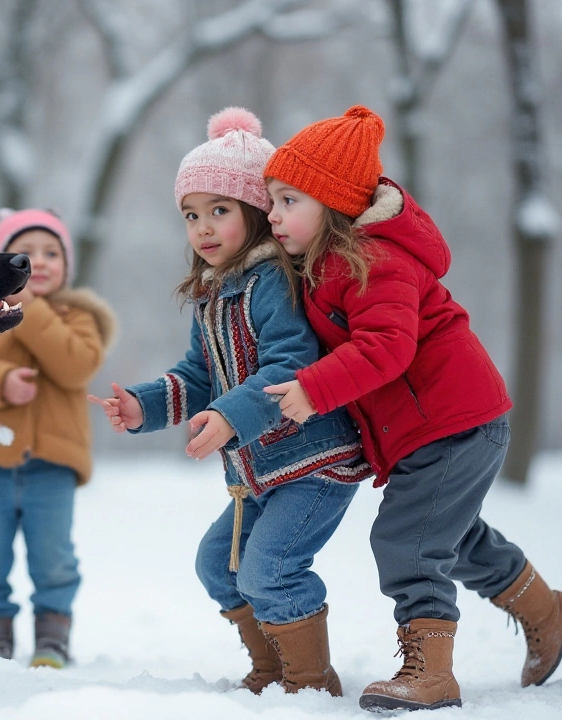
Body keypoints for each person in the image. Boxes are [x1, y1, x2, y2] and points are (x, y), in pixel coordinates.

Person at [261, 106, 562, 712]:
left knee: (407, 540)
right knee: (453, 538)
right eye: (271, 201)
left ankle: (432, 672)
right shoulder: (326, 264)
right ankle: (551, 612)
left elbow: (386, 347)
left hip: (454, 422)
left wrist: (314, 387)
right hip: (436, 428)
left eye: (288, 200)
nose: (274, 215)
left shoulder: (374, 260)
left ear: (333, 204)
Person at [90, 108, 371, 696]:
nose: (204, 228)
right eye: (192, 215)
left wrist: (227, 416)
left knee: (269, 568)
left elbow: (288, 365)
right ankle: (270, 668)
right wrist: (146, 407)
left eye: (220, 211)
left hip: (314, 461)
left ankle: (311, 683)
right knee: (220, 565)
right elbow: (199, 375)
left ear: (257, 215)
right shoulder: (214, 294)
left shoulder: (272, 282)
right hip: (262, 469)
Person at [0, 208, 116, 669]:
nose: (39, 262)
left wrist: (33, 308)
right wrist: (0, 381)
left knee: (54, 559)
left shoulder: (77, 318)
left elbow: (77, 365)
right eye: (26, 254)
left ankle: (52, 638)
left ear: (67, 263)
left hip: (52, 466)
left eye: (51, 253)